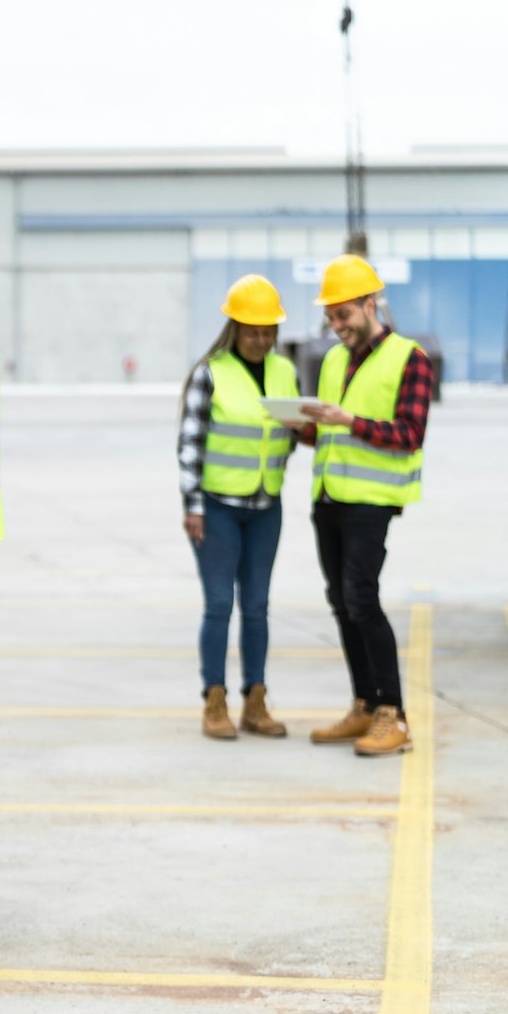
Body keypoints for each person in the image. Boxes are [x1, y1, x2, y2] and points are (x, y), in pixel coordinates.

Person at [296, 254, 430, 756]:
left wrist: (347, 420)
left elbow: (409, 435)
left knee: (362, 599)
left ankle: (392, 715)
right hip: (329, 497)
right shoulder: (333, 359)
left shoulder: (408, 358)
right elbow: (332, 430)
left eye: (343, 315)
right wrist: (303, 427)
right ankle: (364, 705)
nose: (336, 326)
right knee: (341, 603)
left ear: (370, 304)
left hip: (371, 502)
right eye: (330, 317)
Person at [176, 274, 298, 740]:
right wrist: (193, 507)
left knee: (258, 606)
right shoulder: (210, 372)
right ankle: (214, 700)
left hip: (267, 505)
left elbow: (289, 429)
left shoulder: (285, 371)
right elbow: (190, 445)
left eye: (268, 330)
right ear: (234, 327)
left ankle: (256, 701)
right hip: (218, 507)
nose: (261, 338)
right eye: (253, 330)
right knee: (220, 605)